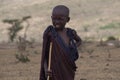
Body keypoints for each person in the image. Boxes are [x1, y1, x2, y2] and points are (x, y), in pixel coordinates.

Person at [39, 5, 82, 80]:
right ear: (51, 18)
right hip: (54, 70)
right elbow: (45, 54)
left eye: (60, 19)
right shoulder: (50, 33)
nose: (57, 22)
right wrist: (46, 69)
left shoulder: (70, 33)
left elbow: (79, 41)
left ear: (67, 19)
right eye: (54, 19)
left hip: (68, 69)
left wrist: (72, 48)